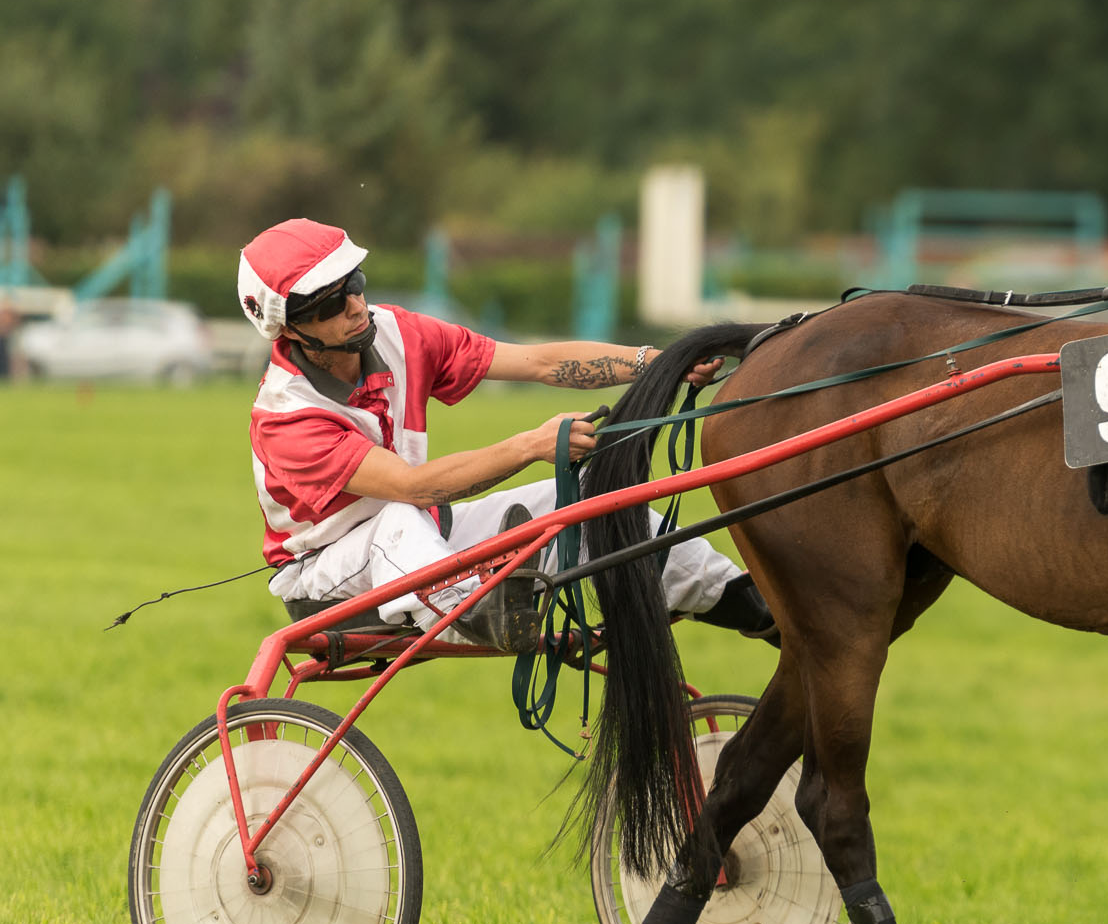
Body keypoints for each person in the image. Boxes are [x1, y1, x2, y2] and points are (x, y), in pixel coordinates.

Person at [238, 218, 772, 651]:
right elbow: (413, 488)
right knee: (399, 519)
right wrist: (530, 445)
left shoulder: (400, 332)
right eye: (331, 303)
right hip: (323, 582)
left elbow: (538, 361)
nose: (356, 305)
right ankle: (487, 609)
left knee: (589, 501)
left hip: (425, 540)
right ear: (289, 329)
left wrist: (657, 363)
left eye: (354, 285)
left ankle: (751, 605)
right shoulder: (287, 417)